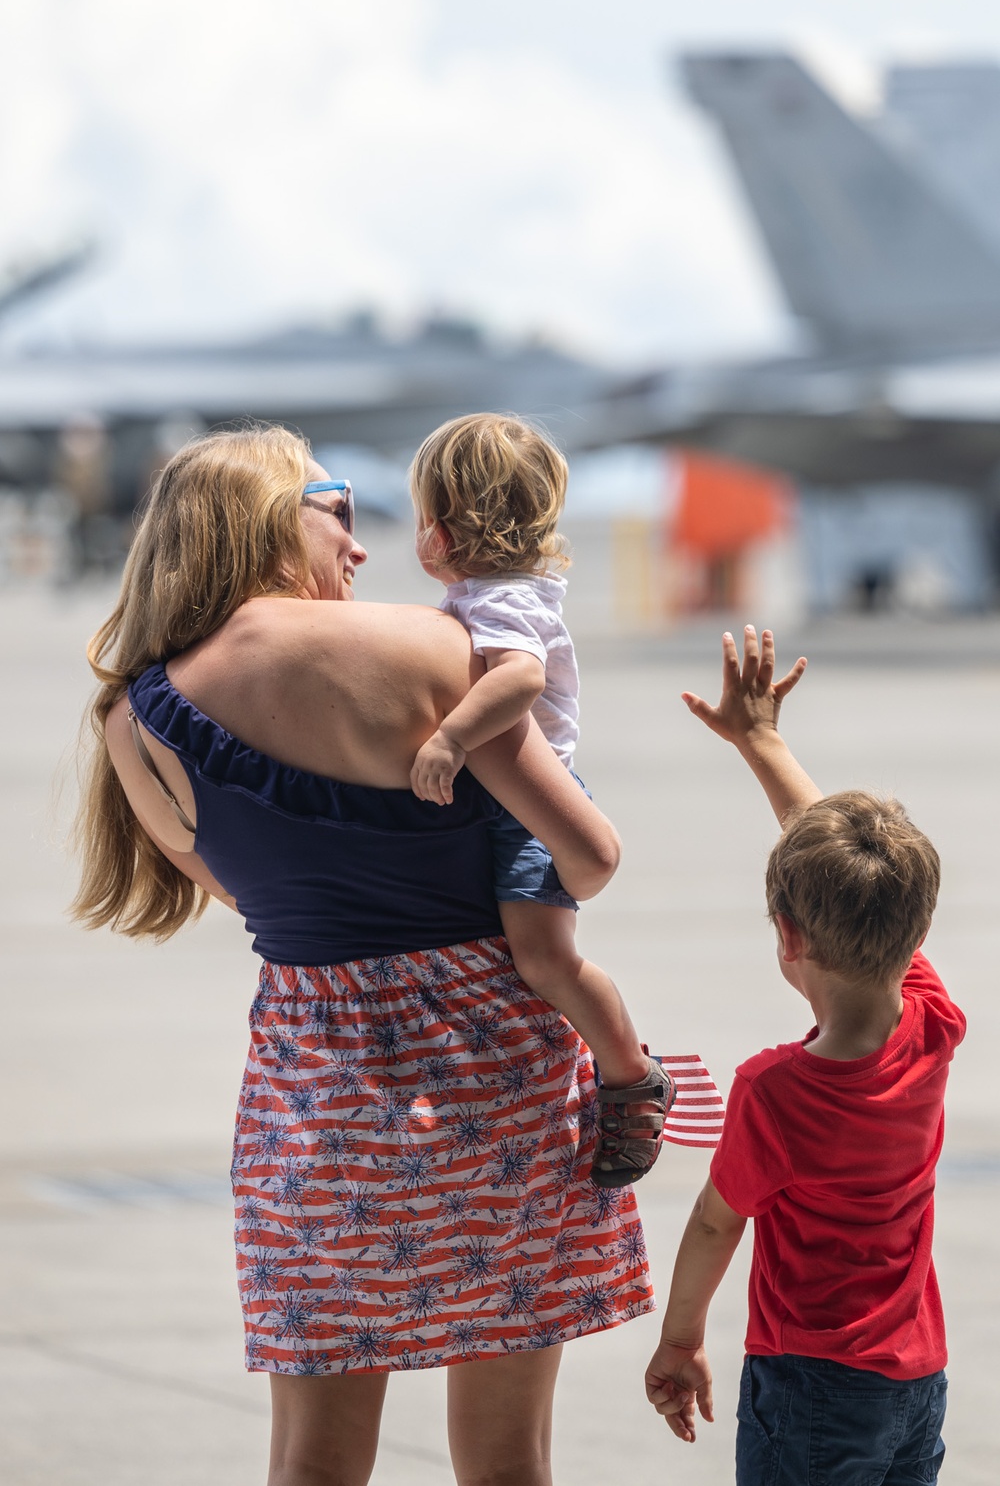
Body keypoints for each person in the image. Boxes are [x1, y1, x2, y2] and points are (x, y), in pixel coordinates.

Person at [72, 423, 655, 1486]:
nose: (361, 539)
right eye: (336, 505)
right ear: (263, 516)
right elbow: (588, 852)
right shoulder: (436, 649)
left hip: (316, 1092)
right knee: (507, 1461)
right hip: (497, 1080)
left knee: (314, 1462)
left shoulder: (133, 719)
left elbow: (242, 889)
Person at [644, 626, 965, 1485]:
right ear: (917, 934)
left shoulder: (775, 1091)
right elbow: (852, 883)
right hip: (916, 1378)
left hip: (812, 1386)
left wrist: (679, 1340)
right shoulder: (931, 1022)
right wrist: (765, 739)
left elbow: (718, 1219)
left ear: (787, 936)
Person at [407, 413, 673, 1187]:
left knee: (546, 959)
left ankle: (632, 1075)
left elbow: (518, 678)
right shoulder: (488, 593)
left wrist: (451, 738)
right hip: (500, 801)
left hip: (527, 807)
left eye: (428, 515)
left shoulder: (504, 601)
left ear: (450, 527)